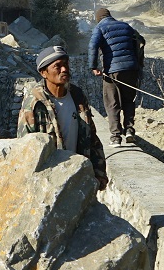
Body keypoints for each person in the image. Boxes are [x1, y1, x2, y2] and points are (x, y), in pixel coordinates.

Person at [18, 45, 109, 190]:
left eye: (66, 64)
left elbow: (92, 138)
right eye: (57, 66)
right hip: (49, 183)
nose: (64, 69)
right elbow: (25, 148)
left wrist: (99, 173)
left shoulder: (77, 95)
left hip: (79, 177)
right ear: (43, 72)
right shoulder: (34, 103)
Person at [88, 7, 146, 146]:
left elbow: (93, 46)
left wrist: (93, 66)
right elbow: (141, 41)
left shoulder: (99, 28)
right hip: (131, 69)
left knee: (112, 102)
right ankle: (129, 131)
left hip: (112, 71)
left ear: (98, 18)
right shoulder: (126, 26)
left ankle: (116, 137)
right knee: (129, 100)